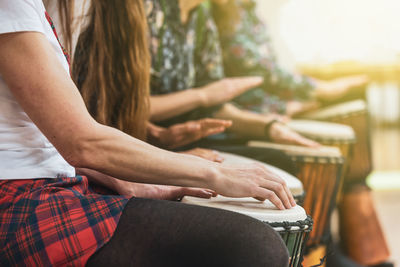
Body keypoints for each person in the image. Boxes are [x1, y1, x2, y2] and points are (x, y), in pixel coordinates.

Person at [0, 0, 296, 266]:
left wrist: (127, 180)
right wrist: (216, 173)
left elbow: (52, 139)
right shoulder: (13, 7)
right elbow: (80, 141)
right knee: (253, 247)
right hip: (19, 199)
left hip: (60, 181)